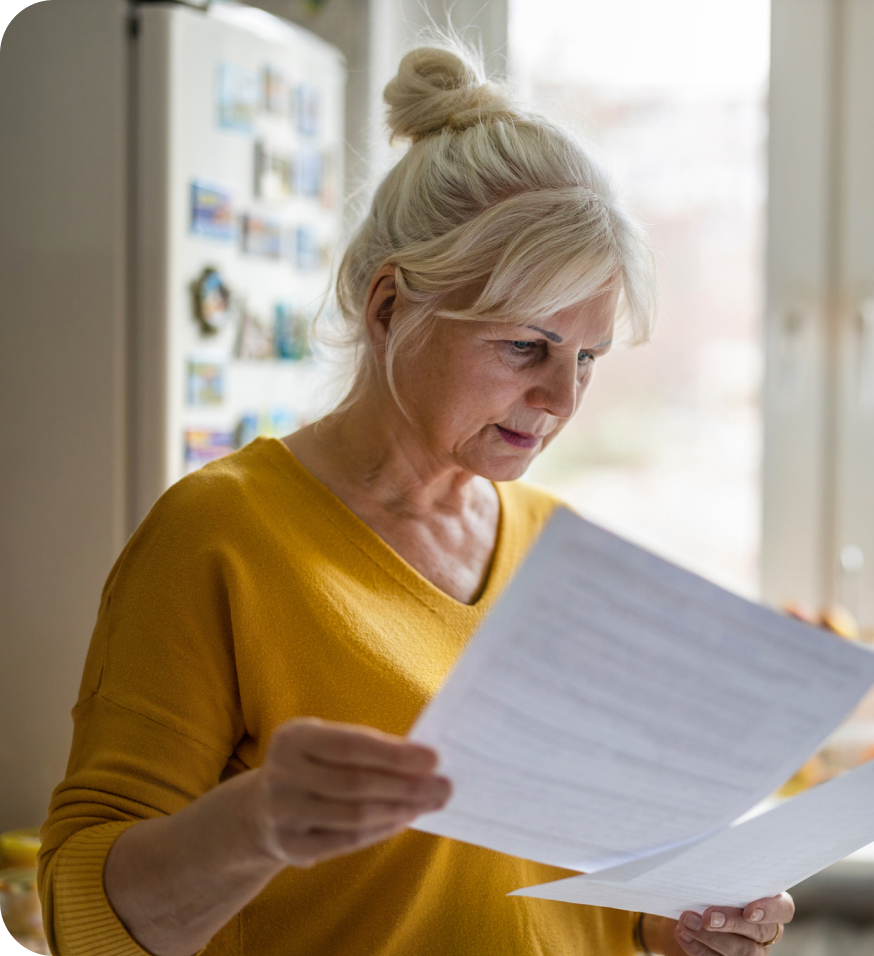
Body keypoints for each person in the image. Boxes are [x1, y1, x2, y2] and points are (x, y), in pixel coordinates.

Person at [38, 40, 794, 956]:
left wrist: (668, 926)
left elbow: (554, 898)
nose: (562, 399)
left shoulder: (559, 548)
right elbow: (84, 908)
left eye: (586, 358)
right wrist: (257, 824)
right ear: (390, 306)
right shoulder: (220, 535)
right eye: (527, 346)